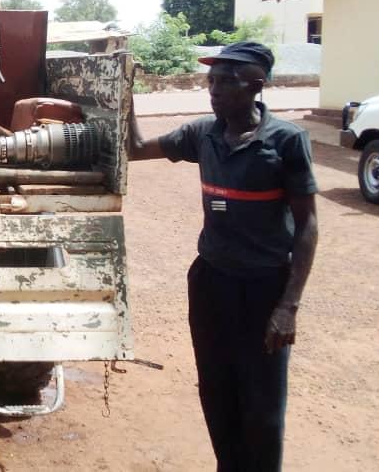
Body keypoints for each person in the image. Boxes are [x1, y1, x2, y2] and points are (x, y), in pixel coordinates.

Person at [126, 41, 319, 471]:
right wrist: (126, 89)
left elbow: (308, 225)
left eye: (226, 81)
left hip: (265, 288)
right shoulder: (203, 135)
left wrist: (288, 306)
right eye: (210, 80)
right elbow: (136, 148)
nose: (213, 89)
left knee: (263, 405)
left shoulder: (287, 140)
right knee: (216, 391)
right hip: (211, 282)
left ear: (256, 85)